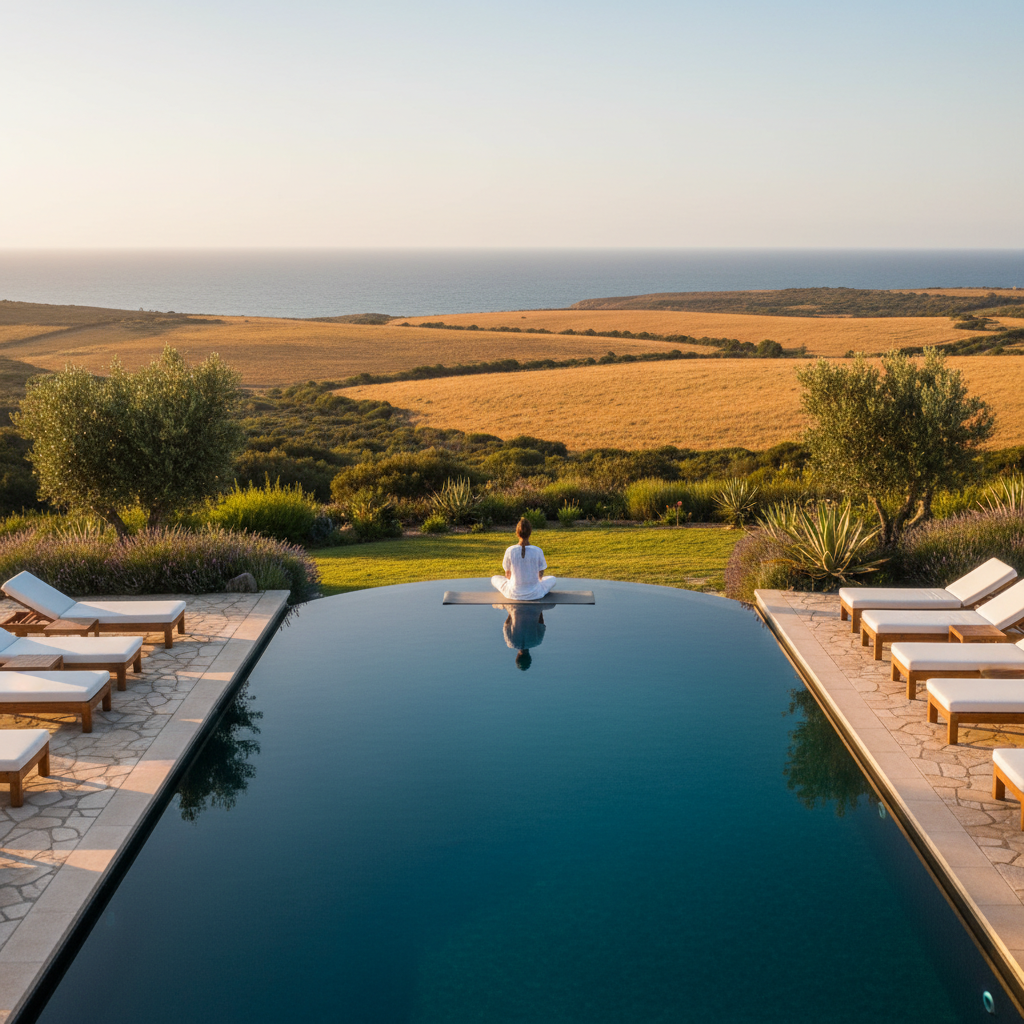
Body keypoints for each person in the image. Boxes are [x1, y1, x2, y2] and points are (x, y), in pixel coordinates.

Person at [490, 518, 558, 601]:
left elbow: (508, 576)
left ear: (517, 533)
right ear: (530, 533)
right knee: (552, 579)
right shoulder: (537, 550)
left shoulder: (510, 550)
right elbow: (540, 576)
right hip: (536, 594)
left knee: (494, 578)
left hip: (512, 593)